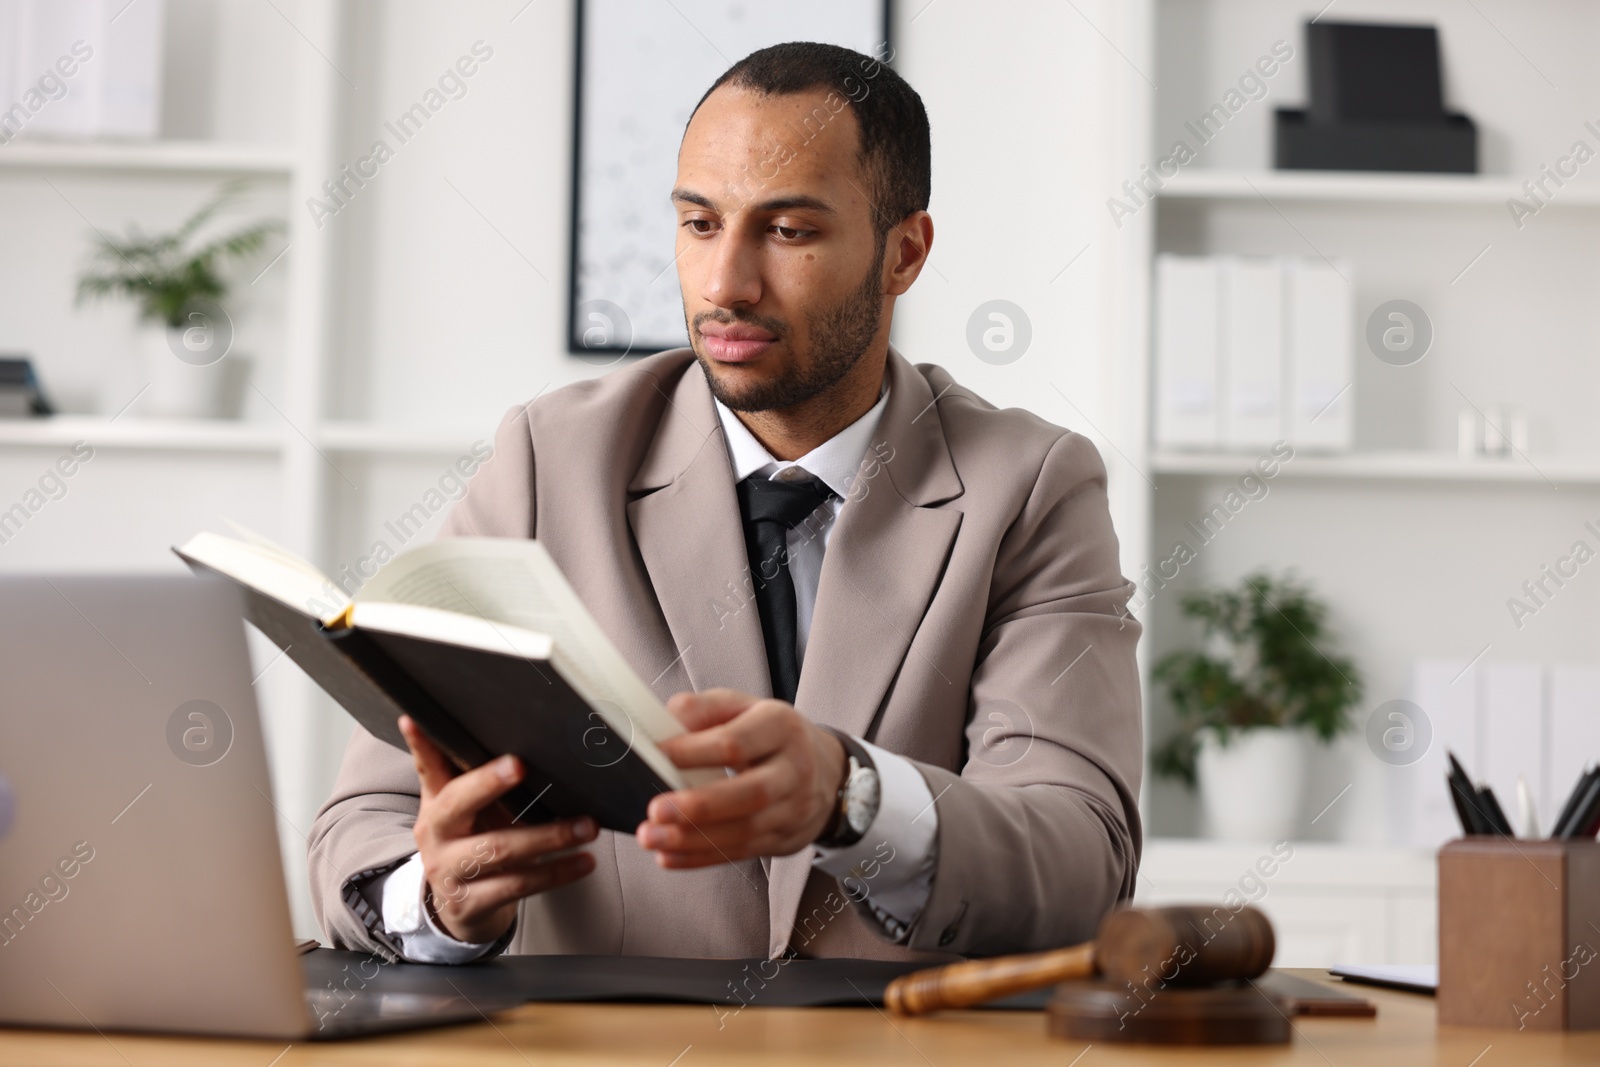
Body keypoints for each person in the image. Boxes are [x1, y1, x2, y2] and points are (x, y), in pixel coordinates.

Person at [309, 41, 1142, 965]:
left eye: (788, 231)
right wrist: (436, 898)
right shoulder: (548, 462)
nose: (724, 285)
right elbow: (363, 827)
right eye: (700, 224)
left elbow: (1081, 858)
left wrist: (851, 795)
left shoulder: (1031, 487)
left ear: (904, 254)